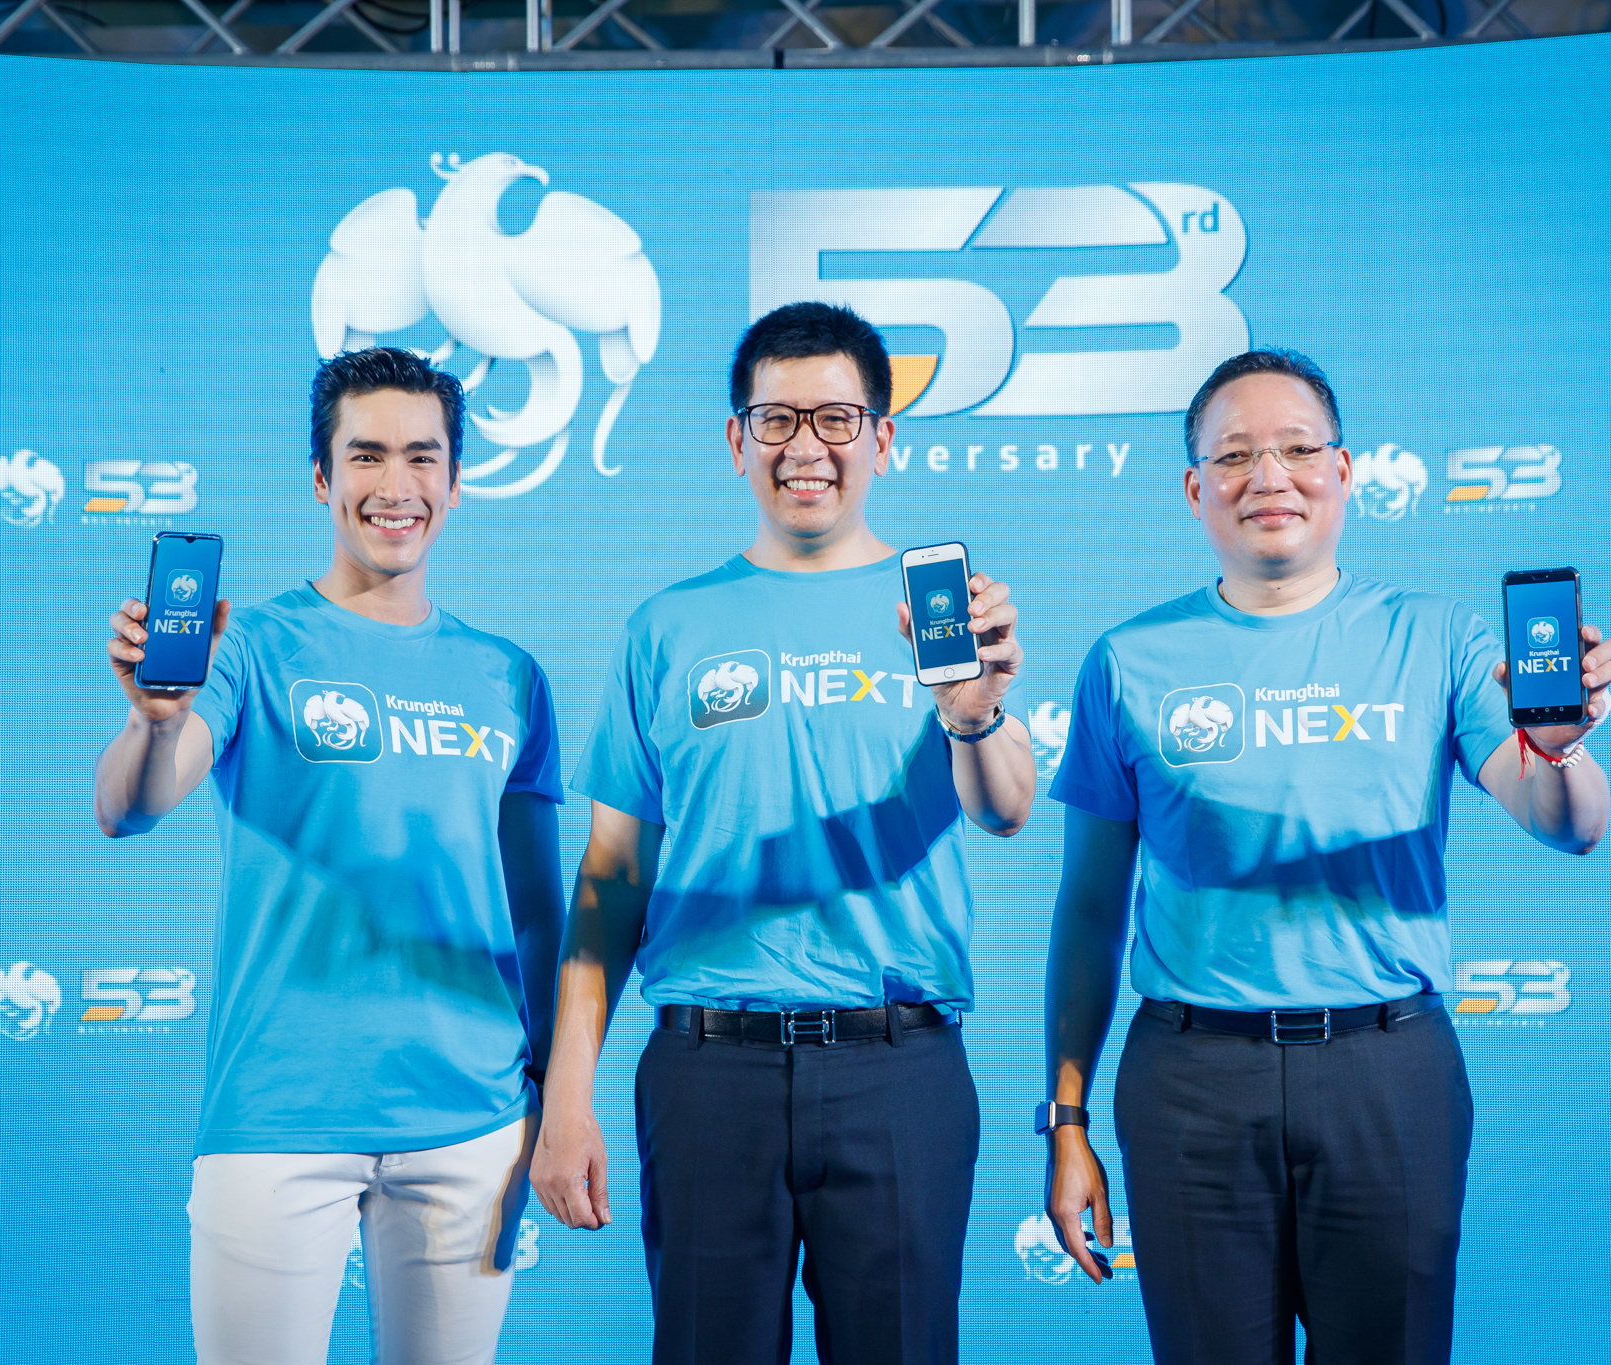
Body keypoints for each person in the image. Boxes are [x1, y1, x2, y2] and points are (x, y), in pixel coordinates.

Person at [1039, 349, 1611, 1365]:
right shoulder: (1128, 659)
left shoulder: (1435, 638)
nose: (1268, 477)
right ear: (1194, 489)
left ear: (1343, 472)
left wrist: (1561, 747)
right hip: (1189, 1083)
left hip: (1385, 1075)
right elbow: (1088, 907)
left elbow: (1563, 821)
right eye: (1233, 455)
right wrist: (1066, 1118)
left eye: (1298, 449)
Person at [529, 301, 1035, 1365]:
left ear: (883, 439)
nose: (806, 447)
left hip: (898, 1070)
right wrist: (565, 1095)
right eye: (777, 420)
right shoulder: (667, 627)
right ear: (736, 439)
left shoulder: (942, 614)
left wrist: (972, 711)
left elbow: (1004, 808)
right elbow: (611, 877)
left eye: (837, 419)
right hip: (708, 1075)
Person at [93, 347, 566, 1365]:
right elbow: (130, 806)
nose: (396, 485)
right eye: (366, 456)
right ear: (321, 477)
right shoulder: (248, 646)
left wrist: (551, 1092)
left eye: (422, 457)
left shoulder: (509, 676)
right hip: (278, 1114)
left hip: (471, 1121)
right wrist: (152, 722)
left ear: (455, 480)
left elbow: (536, 911)